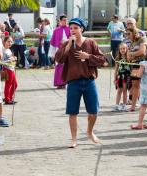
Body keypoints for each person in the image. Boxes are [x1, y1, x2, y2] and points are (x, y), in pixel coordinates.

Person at [55, 18, 106, 148]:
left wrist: (88, 56)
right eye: (71, 28)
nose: (73, 30)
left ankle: (89, 131)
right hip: (73, 83)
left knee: (93, 112)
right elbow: (59, 60)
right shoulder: (66, 43)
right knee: (72, 112)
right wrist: (67, 45)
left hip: (89, 82)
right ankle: (74, 139)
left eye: (76, 28)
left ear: (82, 29)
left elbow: (102, 60)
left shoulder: (90, 42)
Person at [126, 27, 147, 111]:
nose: (127, 36)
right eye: (126, 34)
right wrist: (132, 55)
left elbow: (142, 52)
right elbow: (128, 57)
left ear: (134, 33)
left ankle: (145, 106)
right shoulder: (132, 43)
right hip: (134, 65)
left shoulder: (142, 39)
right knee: (135, 86)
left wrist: (131, 54)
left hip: (141, 64)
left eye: (128, 34)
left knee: (143, 86)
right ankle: (133, 106)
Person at [49, 14, 70, 89]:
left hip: (68, 50)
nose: (66, 21)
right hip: (59, 50)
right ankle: (59, 83)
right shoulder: (56, 30)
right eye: (64, 20)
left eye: (66, 20)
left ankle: (65, 83)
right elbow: (52, 43)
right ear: (60, 21)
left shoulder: (70, 29)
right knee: (59, 67)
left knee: (67, 67)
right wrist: (52, 53)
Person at [113, 43, 130, 111]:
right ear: (119, 50)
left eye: (124, 48)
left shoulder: (128, 57)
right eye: (121, 49)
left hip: (126, 76)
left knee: (125, 90)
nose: (122, 50)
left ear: (127, 49)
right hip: (120, 76)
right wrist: (114, 78)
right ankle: (117, 105)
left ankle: (124, 105)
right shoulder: (117, 58)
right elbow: (116, 69)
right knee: (119, 90)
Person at [2, 36, 17, 104]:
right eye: (8, 41)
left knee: (15, 84)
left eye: (11, 41)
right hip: (7, 69)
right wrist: (11, 59)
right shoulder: (3, 50)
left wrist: (13, 58)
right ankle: (7, 99)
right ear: (4, 42)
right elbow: (1, 61)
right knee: (8, 84)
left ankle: (9, 98)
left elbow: (11, 59)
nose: (10, 43)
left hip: (11, 69)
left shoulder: (9, 50)